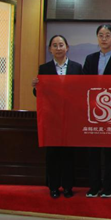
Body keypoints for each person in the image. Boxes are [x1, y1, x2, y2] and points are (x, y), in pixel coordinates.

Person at [32, 34, 83, 199]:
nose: (58, 48)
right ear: (50, 49)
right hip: (52, 119)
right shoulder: (44, 69)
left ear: (67, 47)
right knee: (52, 154)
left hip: (70, 118)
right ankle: (53, 186)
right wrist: (35, 87)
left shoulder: (77, 68)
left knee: (69, 154)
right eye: (55, 45)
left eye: (61, 45)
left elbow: (81, 92)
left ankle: (68, 186)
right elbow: (39, 94)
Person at [82, 24, 111, 198]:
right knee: (93, 151)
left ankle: (109, 186)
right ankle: (94, 186)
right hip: (92, 110)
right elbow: (83, 83)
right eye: (101, 35)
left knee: (110, 151)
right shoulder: (90, 59)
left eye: (108, 35)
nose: (104, 38)